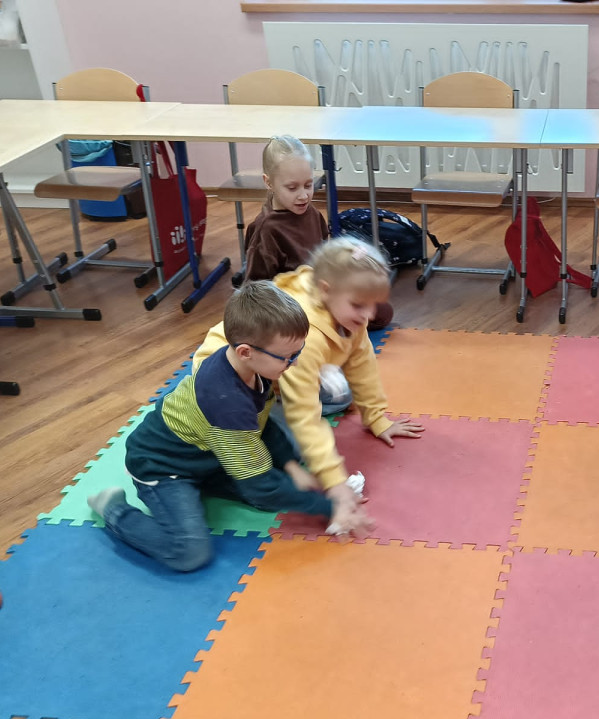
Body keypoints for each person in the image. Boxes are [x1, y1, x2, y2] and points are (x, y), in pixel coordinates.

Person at [87, 282, 369, 572]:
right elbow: (260, 486)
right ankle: (114, 509)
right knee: (189, 552)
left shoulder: (252, 367)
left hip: (208, 456)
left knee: (281, 480)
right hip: (162, 466)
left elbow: (263, 424)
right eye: (288, 357)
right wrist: (328, 507)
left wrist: (290, 465)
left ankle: (210, 482)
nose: (294, 364)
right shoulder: (227, 403)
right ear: (246, 351)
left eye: (298, 353)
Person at [195, 236, 423, 530]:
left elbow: (362, 364)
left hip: (277, 370)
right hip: (232, 382)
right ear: (326, 290)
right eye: (359, 305)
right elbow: (304, 415)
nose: (369, 315)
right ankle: (222, 465)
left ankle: (282, 399)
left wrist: (377, 418)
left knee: (342, 396)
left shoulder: (346, 308)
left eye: (373, 305)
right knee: (291, 449)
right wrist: (334, 483)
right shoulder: (307, 338)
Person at [244, 134, 393, 332]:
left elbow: (324, 256)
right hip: (292, 303)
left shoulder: (312, 213)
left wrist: (351, 262)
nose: (303, 195)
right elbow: (256, 289)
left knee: (382, 311)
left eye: (308, 185)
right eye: (292, 188)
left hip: (320, 288)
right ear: (269, 182)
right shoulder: (266, 228)